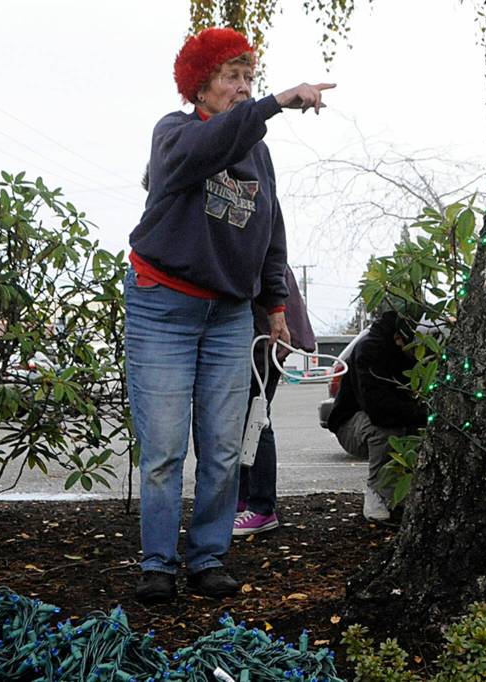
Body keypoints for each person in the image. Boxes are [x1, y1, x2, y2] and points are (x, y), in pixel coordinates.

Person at [125, 26, 334, 604]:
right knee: (165, 449)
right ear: (200, 84)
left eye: (249, 78)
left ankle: (209, 557)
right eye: (231, 77)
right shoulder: (175, 134)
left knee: (221, 446)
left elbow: (271, 235)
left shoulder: (258, 153)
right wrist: (275, 103)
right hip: (162, 307)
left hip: (228, 318)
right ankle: (158, 565)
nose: (243, 88)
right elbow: (205, 150)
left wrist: (275, 306)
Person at [234, 265, 315, 535]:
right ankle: (245, 499)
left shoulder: (259, 244)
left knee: (255, 416)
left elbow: (271, 278)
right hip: (261, 330)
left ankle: (261, 506)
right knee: (245, 417)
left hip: (264, 332)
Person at [325, 311, 427, 521]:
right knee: (385, 430)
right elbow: (378, 409)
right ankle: (376, 492)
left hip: (393, 418)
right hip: (353, 423)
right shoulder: (369, 351)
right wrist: (423, 414)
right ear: (398, 337)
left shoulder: (408, 350)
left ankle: (403, 496)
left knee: (409, 430)